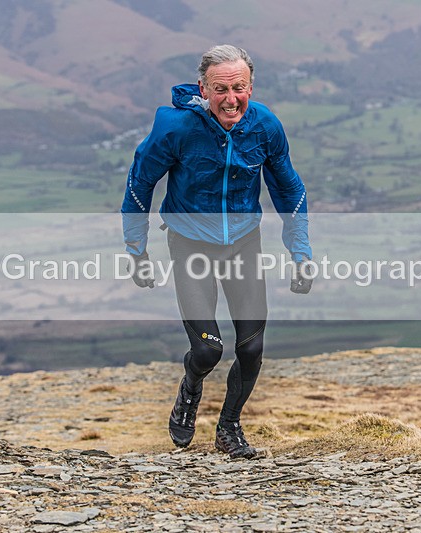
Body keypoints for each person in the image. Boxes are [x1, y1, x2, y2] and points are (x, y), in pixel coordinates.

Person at [121, 44, 313, 459]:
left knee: (252, 348)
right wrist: (137, 251)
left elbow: (289, 189)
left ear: (251, 87)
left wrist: (300, 252)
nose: (230, 99)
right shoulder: (176, 128)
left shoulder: (265, 126)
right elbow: (140, 182)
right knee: (208, 348)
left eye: (238, 88)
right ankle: (190, 388)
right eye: (220, 89)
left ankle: (229, 428)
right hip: (190, 244)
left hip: (243, 243)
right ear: (203, 89)